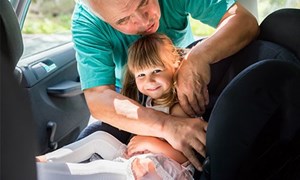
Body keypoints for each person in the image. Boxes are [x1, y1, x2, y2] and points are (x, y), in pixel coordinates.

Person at [72, 0, 259, 170]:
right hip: (128, 98)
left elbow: (243, 20)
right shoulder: (87, 22)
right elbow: (98, 97)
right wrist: (166, 125)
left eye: (143, 2)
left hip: (179, 80)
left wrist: (197, 57)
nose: (143, 21)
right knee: (91, 141)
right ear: (102, 18)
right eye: (123, 20)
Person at [36, 33, 196, 179]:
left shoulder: (178, 107)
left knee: (103, 167)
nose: (149, 80)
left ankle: (44, 174)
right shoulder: (148, 102)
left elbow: (186, 156)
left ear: (175, 65)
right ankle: (43, 161)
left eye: (157, 70)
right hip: (141, 160)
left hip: (168, 171)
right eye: (141, 75)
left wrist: (149, 142)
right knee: (99, 138)